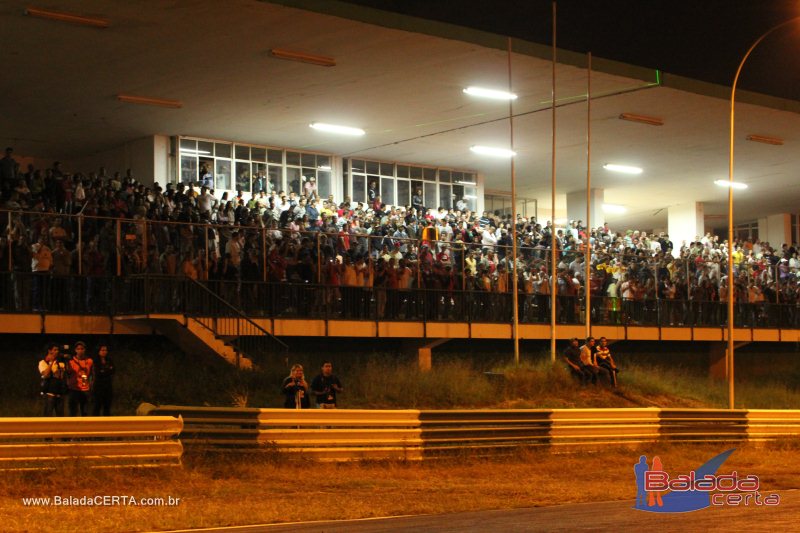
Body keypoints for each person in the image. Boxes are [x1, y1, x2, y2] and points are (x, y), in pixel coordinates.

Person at [39, 342, 68, 416]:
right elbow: (45, 374)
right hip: (49, 394)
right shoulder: (43, 362)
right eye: (54, 350)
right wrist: (51, 362)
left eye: (57, 350)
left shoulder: (60, 363)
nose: (57, 352)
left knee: (60, 416)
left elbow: (62, 376)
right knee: (47, 416)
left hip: (59, 394)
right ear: (49, 351)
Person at [67, 341, 93, 416]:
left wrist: (91, 385)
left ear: (85, 350)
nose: (80, 351)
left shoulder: (89, 361)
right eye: (78, 349)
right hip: (73, 389)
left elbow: (92, 374)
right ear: (75, 350)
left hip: (85, 389)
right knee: (73, 412)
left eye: (82, 349)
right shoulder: (71, 361)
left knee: (85, 412)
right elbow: (67, 374)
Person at [92, 343, 115, 416]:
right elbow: (98, 372)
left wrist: (105, 370)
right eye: (102, 350)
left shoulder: (109, 360)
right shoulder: (95, 361)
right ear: (99, 351)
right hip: (98, 386)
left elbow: (113, 370)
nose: (104, 351)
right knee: (97, 405)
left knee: (107, 406)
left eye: (105, 350)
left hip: (108, 386)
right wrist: (107, 370)